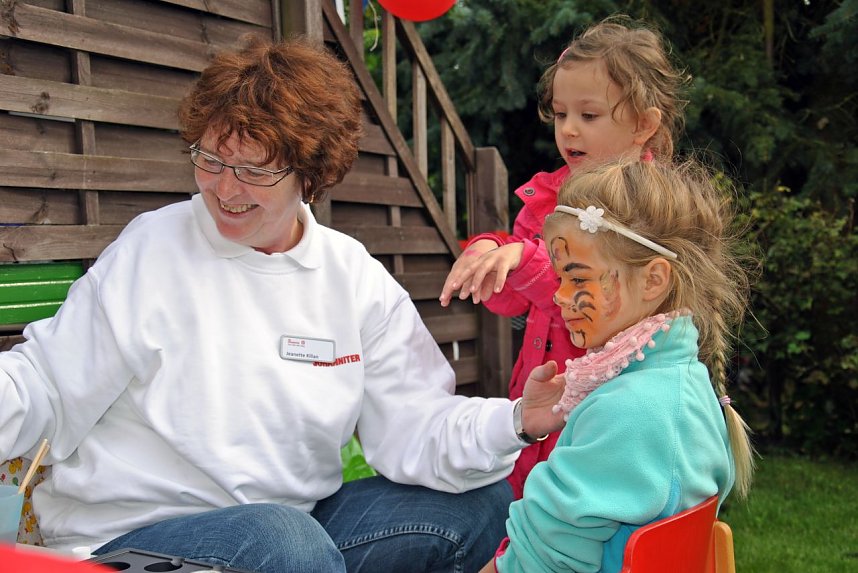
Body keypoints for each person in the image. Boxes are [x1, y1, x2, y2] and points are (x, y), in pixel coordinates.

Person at [0, 36, 567, 573]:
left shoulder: (352, 278)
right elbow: (45, 383)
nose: (225, 190)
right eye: (212, 161)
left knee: (479, 505)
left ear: (310, 174)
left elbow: (417, 424)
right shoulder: (154, 247)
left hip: (295, 534)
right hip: (137, 536)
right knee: (285, 544)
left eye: (256, 170)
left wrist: (518, 419)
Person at [439, 15, 689, 499]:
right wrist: (491, 254)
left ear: (644, 125)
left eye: (589, 116)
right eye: (560, 114)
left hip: (610, 405)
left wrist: (524, 258)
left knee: (581, 510)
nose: (569, 129)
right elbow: (511, 304)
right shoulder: (544, 197)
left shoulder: (653, 205)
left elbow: (603, 302)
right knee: (529, 507)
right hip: (539, 396)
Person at [479, 158, 756, 573]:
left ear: (652, 281)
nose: (559, 297)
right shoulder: (681, 382)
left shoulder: (629, 411)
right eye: (559, 280)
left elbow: (536, 560)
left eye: (578, 278)